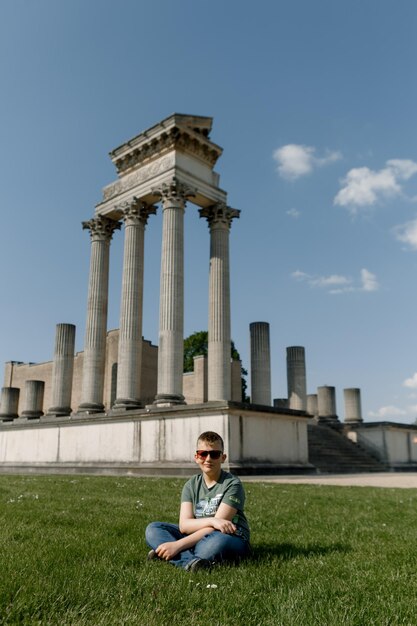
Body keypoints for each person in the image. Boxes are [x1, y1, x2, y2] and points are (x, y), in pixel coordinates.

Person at [145, 431, 250, 572]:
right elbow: (184, 525)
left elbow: (219, 527)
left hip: (229, 536)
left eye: (214, 454)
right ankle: (193, 561)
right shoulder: (191, 484)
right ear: (196, 457)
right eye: (203, 454)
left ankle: (170, 553)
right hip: (199, 533)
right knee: (153, 529)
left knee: (214, 544)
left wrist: (178, 545)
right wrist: (212, 520)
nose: (208, 459)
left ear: (223, 458)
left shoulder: (232, 484)